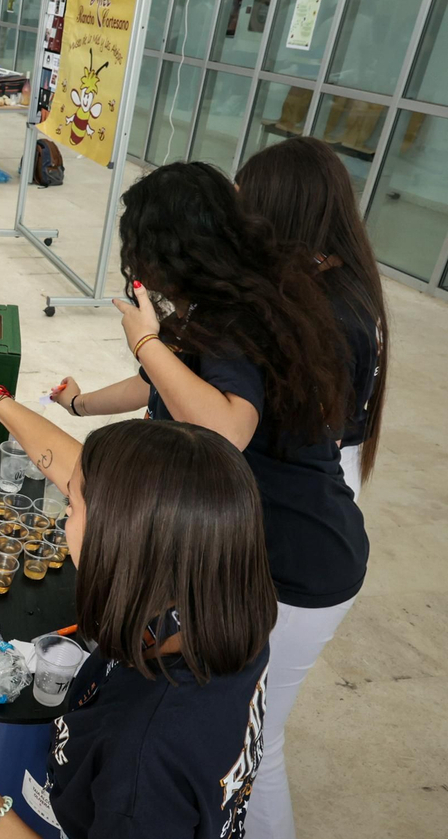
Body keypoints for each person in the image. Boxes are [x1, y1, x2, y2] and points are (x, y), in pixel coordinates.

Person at [48, 162, 363, 839]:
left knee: (249, 751)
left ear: (167, 251)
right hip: (274, 545)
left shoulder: (235, 317)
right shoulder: (230, 298)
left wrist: (144, 338)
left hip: (297, 564)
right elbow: (161, 382)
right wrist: (80, 403)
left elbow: (224, 430)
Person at [0, 384, 275, 839]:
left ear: (122, 541)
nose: (65, 517)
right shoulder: (231, 605)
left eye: (74, 506)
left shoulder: (140, 761)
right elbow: (85, 473)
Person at [233, 140, 387, 838]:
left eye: (246, 205)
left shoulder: (313, 316)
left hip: (305, 560)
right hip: (321, 531)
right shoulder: (345, 291)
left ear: (280, 213)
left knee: (256, 739)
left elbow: (231, 421)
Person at [235, 136, 389, 500]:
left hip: (306, 490)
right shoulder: (336, 276)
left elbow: (320, 441)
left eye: (243, 206)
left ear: (278, 213)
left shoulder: (329, 314)